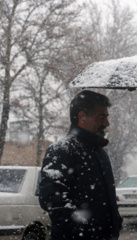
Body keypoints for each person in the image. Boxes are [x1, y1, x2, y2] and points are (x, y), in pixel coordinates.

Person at [39, 90, 122, 240]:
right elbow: (52, 199)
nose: (106, 123)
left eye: (107, 117)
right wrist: (83, 231)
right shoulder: (61, 150)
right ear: (82, 117)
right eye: (101, 117)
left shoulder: (100, 153)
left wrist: (114, 224)